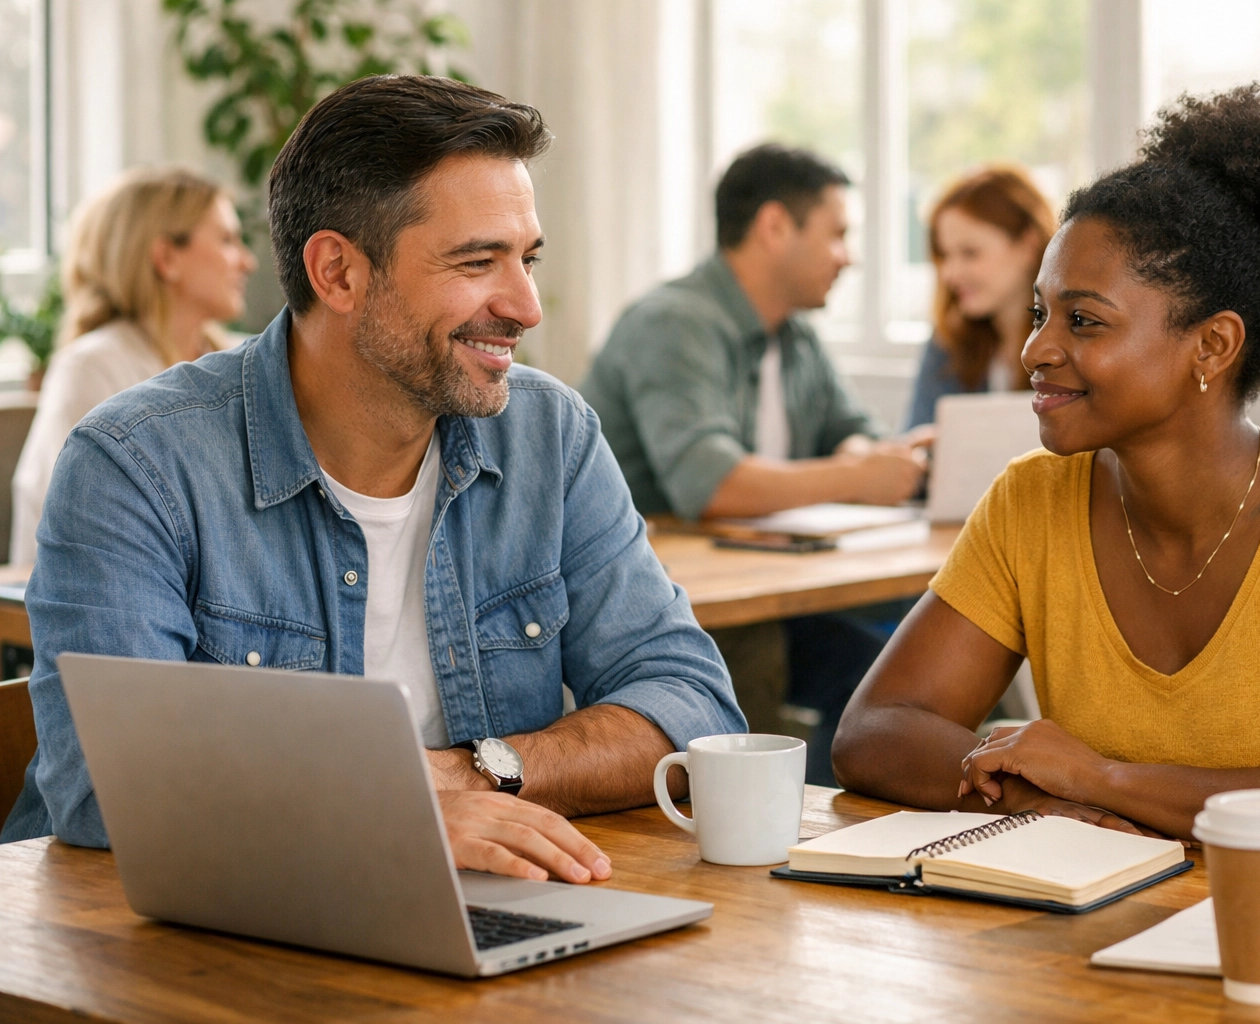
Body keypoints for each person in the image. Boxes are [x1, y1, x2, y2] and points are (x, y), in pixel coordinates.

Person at [1, 75, 746, 887]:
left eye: (526, 259)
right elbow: (106, 788)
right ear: (338, 273)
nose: (527, 306)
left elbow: (692, 704)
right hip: (177, 940)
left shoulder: (549, 434)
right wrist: (380, 813)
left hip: (483, 906)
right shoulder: (135, 464)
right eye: (476, 262)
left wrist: (468, 775)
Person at [831, 84, 1260, 884]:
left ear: (1212, 346)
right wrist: (1040, 798)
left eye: (1083, 321)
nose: (1036, 350)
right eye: (1039, 313)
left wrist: (1103, 779)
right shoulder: (1033, 502)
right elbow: (877, 731)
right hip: (1197, 931)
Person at [581, 143, 926, 786]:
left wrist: (866, 455)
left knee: (901, 683)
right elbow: (708, 482)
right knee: (759, 654)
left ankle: (840, 838)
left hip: (760, 589)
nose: (848, 257)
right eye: (838, 235)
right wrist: (858, 476)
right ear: (774, 228)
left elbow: (852, 430)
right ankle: (764, 835)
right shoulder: (673, 323)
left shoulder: (794, 335)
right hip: (671, 602)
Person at [10, 167, 256, 564]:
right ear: (166, 257)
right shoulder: (92, 367)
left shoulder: (244, 359)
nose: (247, 262)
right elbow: (64, 539)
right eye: (227, 240)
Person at [906, 165, 1056, 429]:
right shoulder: (949, 342)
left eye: (970, 253)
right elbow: (914, 439)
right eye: (945, 255)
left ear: (1028, 245)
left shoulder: (1073, 344)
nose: (950, 274)